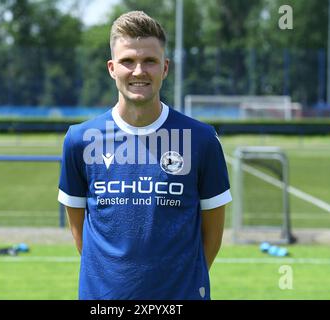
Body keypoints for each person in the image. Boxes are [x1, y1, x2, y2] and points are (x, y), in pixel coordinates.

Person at [58, 11, 231, 300]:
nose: (139, 71)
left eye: (149, 61)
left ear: (165, 68)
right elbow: (81, 234)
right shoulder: (79, 140)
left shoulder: (201, 140)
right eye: (128, 61)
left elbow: (212, 237)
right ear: (112, 68)